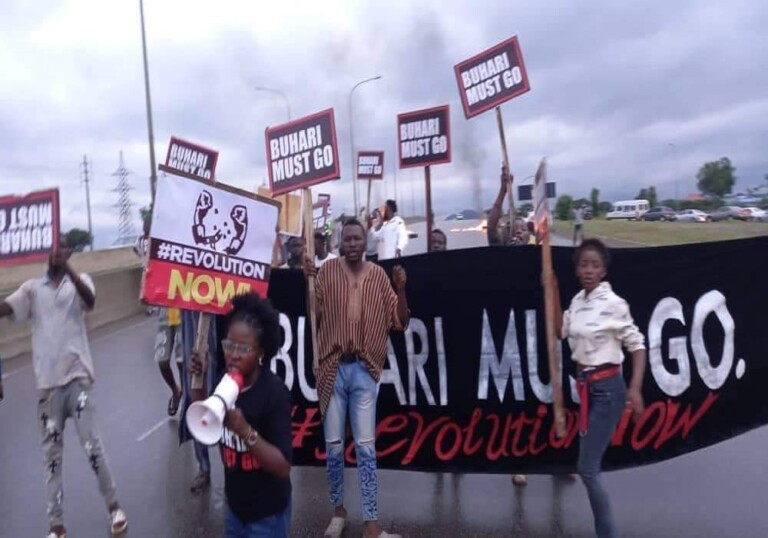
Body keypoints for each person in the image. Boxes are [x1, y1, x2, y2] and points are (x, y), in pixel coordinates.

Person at [0, 236, 127, 538]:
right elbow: (5, 308)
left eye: (64, 246)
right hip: (48, 389)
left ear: (69, 252)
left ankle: (114, 508)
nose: (58, 250)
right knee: (52, 460)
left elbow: (91, 301)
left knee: (92, 447)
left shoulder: (80, 282)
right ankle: (56, 525)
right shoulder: (32, 289)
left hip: (77, 382)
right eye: (54, 246)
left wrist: (67, 269)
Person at [304, 218, 409, 538]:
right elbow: (314, 318)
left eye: (356, 239)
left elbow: (400, 322)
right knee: (334, 446)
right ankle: (338, 512)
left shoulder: (378, 277)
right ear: (339, 243)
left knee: (366, 448)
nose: (351, 244)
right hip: (332, 369)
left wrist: (401, 289)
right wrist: (309, 283)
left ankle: (372, 525)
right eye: (346, 239)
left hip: (364, 371)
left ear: (366, 243)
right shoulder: (327, 273)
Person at [551, 238, 646, 538]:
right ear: (577, 270)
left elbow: (638, 346)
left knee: (588, 469)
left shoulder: (615, 305)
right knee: (588, 467)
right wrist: (551, 289)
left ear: (603, 270)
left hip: (608, 391)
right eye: (583, 265)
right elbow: (559, 331)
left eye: (594, 265)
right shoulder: (578, 302)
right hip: (586, 390)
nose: (588, 270)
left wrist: (635, 388)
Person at [189, 293, 292, 537]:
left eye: (243, 348)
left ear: (261, 352)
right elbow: (204, 422)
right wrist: (199, 381)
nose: (234, 354)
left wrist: (245, 431)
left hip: (268, 516)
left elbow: (283, 467)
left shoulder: (274, 393)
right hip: (235, 511)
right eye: (228, 345)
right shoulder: (224, 382)